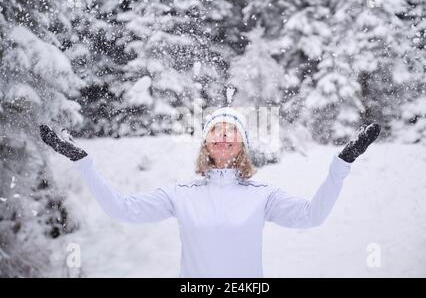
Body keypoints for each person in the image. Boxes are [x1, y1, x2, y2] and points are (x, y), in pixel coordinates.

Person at [39, 107, 380, 278]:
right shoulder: (181, 193)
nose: (223, 137)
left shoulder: (262, 194)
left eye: (232, 132)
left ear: (241, 145)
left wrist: (341, 164)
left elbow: (312, 216)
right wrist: (83, 162)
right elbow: (123, 210)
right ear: (206, 142)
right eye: (216, 130)